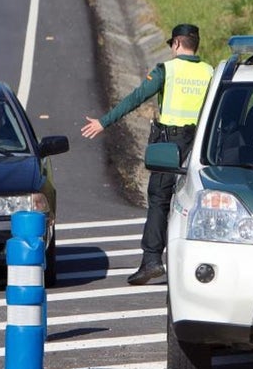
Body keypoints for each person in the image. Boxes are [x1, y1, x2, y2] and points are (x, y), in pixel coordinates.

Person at [82, 24, 214, 285]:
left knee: (159, 200)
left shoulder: (168, 70)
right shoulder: (209, 72)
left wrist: (104, 122)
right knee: (198, 202)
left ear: (176, 44)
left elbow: (136, 98)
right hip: (201, 144)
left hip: (170, 145)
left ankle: (152, 260)